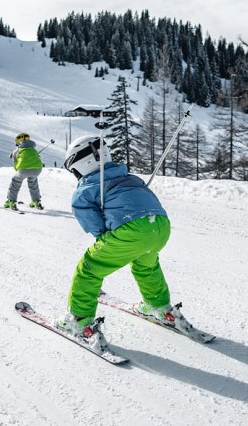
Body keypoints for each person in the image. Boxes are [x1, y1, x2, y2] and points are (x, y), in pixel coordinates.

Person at [56, 135, 196, 349]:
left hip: (132, 230)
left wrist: (110, 243)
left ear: (81, 165)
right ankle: (160, 307)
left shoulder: (85, 190)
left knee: (89, 269)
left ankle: (79, 321)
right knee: (146, 265)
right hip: (160, 226)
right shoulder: (130, 178)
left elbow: (97, 228)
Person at [4, 132, 44, 210]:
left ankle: (11, 201)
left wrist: (18, 169)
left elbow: (16, 165)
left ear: (20, 141)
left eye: (17, 143)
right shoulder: (33, 149)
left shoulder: (17, 150)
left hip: (23, 170)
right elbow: (37, 158)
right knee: (33, 183)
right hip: (37, 169)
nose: (17, 144)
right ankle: (36, 201)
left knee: (15, 183)